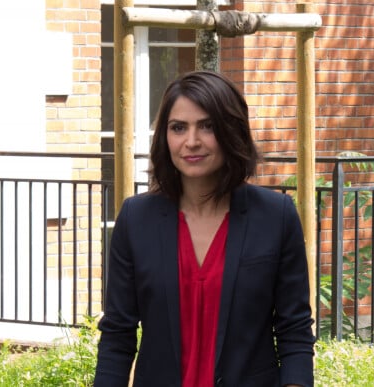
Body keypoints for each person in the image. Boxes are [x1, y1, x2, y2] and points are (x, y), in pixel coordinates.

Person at [94, 70, 315, 387]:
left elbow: (294, 330)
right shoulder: (136, 218)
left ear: (231, 131)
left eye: (207, 126)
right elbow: (118, 332)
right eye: (178, 128)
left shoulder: (275, 216)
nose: (191, 141)